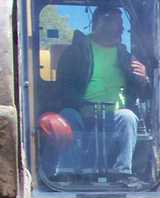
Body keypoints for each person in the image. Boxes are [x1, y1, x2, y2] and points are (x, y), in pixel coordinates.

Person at [53, 2, 149, 179]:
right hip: (80, 113)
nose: (121, 30)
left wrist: (143, 79)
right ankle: (67, 174)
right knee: (67, 117)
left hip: (114, 116)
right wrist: (81, 106)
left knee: (128, 117)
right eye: (117, 24)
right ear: (100, 24)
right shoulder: (76, 52)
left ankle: (122, 173)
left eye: (122, 25)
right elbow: (63, 88)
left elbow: (143, 92)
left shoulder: (125, 56)